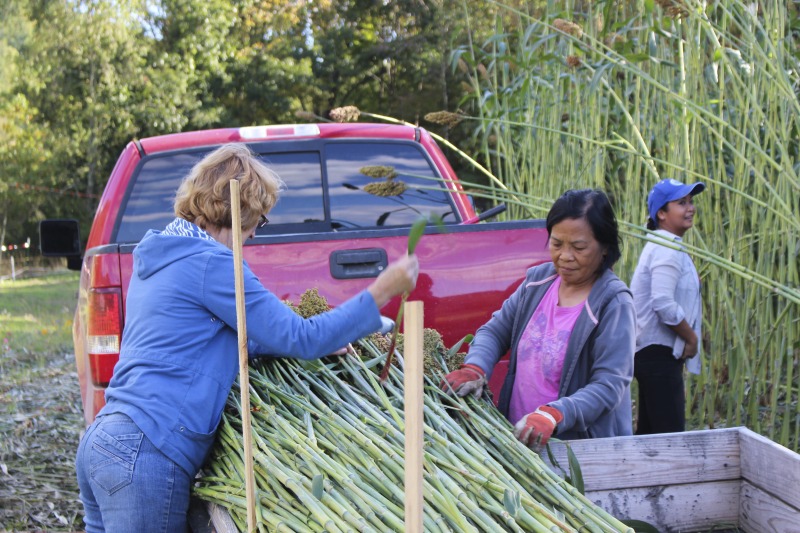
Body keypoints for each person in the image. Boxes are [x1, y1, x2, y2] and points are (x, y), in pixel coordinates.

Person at [74, 143, 419, 533]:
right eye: (259, 217)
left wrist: (332, 336)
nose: (255, 231)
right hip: (149, 451)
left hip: (103, 442)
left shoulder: (160, 254)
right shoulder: (212, 263)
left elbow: (221, 338)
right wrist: (381, 291)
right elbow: (300, 337)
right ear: (237, 210)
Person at [442, 189, 635, 451]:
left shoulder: (613, 303)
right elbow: (495, 331)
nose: (565, 256)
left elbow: (608, 386)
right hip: (521, 439)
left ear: (604, 248)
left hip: (578, 450)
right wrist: (475, 367)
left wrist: (554, 414)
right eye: (556, 244)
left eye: (578, 247)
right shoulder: (537, 283)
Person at [630, 178, 705, 434]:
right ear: (661, 213)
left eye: (691, 202)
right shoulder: (667, 248)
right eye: (681, 203)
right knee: (669, 437)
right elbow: (662, 302)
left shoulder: (666, 245)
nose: (690, 208)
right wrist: (691, 338)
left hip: (653, 355)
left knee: (651, 437)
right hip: (658, 355)